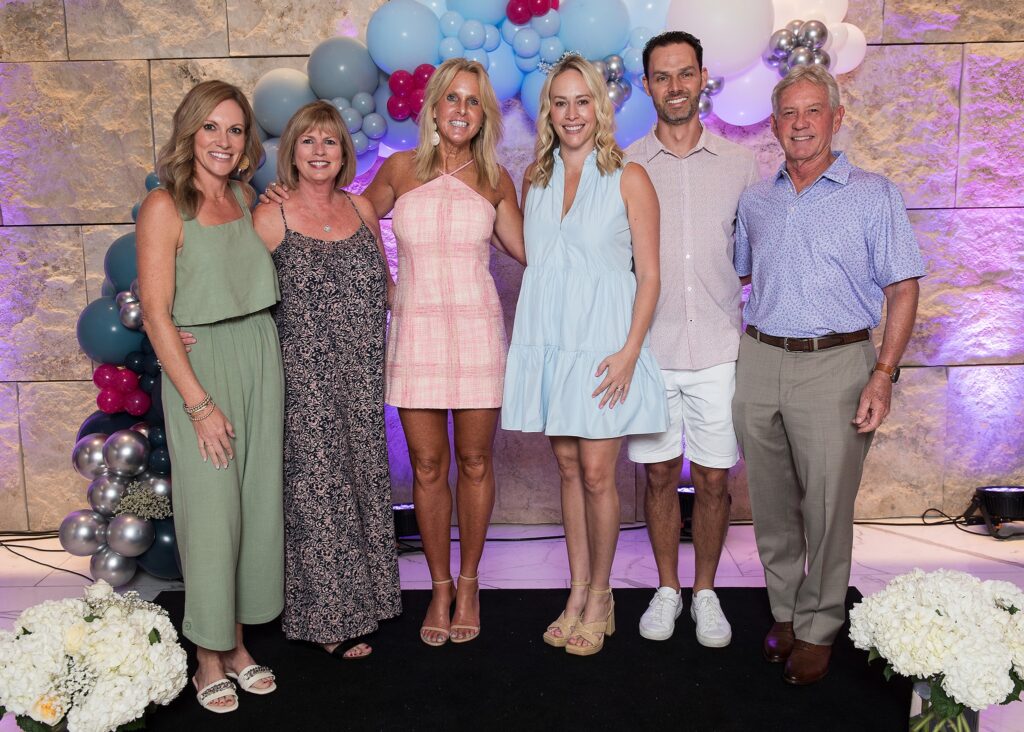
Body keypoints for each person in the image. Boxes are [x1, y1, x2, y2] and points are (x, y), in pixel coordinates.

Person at [732, 64, 924, 685]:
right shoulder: (756, 199)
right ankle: (786, 613)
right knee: (771, 505)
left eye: (813, 110)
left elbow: (903, 289)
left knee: (827, 507)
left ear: (837, 118)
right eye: (789, 113)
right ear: (773, 124)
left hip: (837, 363)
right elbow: (740, 273)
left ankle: (819, 626)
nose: (800, 123)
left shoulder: (873, 194)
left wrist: (883, 374)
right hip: (760, 358)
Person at [502, 54, 668, 656]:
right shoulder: (534, 178)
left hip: (604, 347)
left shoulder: (630, 177)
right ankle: (576, 592)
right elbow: (542, 262)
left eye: (583, 101)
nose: (572, 113)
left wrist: (629, 353)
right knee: (568, 469)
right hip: (553, 343)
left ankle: (602, 596)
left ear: (601, 107)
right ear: (548, 111)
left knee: (598, 473)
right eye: (560, 102)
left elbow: (650, 276)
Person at [364, 58, 525, 646]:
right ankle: (438, 586)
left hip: (478, 333)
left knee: (476, 461)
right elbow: (350, 217)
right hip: (416, 334)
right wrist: (386, 283)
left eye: (473, 100)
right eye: (452, 98)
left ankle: (470, 581)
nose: (461, 109)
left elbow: (531, 251)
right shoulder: (399, 169)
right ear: (433, 107)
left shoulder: (496, 179)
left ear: (484, 115)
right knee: (428, 467)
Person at [137, 80, 283, 713]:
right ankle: (206, 657)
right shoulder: (165, 206)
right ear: (189, 133)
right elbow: (156, 313)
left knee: (253, 507)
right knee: (211, 513)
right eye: (211, 128)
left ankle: (238, 644)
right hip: (203, 372)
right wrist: (198, 404)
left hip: (259, 353)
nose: (223, 140)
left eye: (235, 129)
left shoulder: (246, 197)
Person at [624, 31, 760, 648]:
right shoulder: (626, 164)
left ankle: (705, 592)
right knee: (657, 477)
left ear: (703, 77)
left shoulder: (740, 164)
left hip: (718, 350)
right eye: (662, 76)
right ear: (646, 84)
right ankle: (666, 589)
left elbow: (751, 258)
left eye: (685, 74)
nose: (674, 86)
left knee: (712, 480)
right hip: (649, 353)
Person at [253, 101, 402, 659]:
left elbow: (386, 288)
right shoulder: (271, 217)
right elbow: (242, 296)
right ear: (291, 152)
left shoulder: (362, 209)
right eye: (308, 141)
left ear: (344, 153)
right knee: (320, 493)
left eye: (330, 141)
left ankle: (371, 600)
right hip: (304, 382)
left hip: (361, 377)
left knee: (362, 482)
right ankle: (327, 619)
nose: (319, 151)